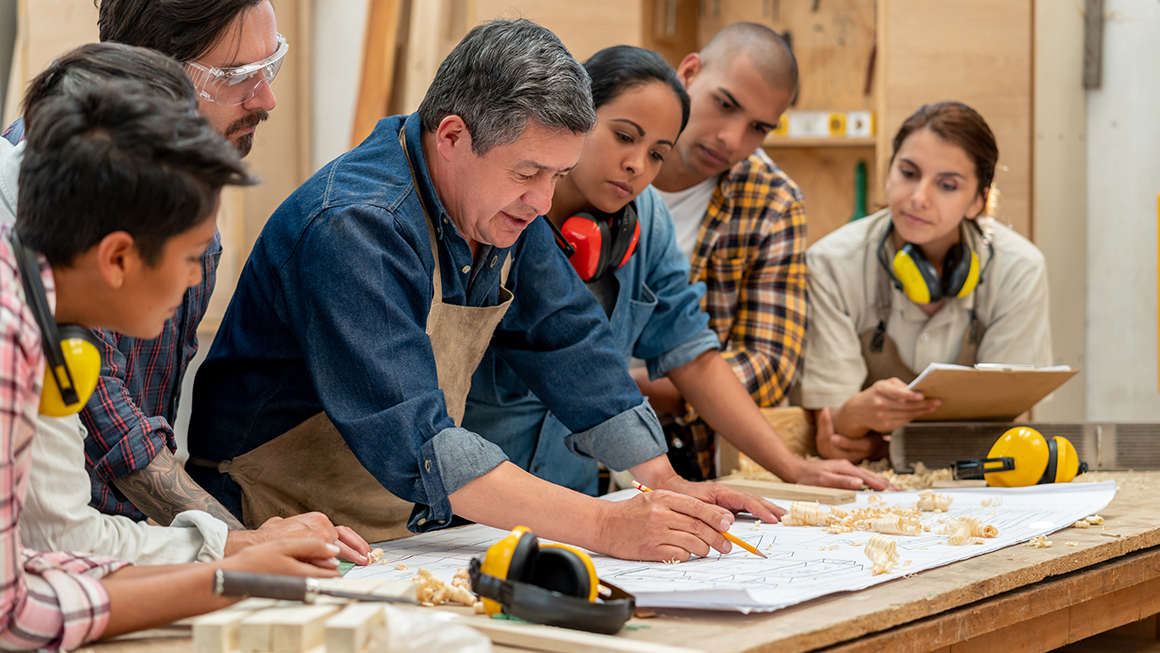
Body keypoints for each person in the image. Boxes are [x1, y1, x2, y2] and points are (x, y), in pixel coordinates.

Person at [189, 18, 779, 563]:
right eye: (527, 173)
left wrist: (664, 480)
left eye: (557, 176)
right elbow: (417, 435)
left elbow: (567, 336)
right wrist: (606, 527)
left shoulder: (494, 210)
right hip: (273, 522)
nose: (543, 203)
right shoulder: (356, 225)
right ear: (451, 136)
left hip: (393, 532)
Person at [2, 1, 370, 564]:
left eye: (269, 68)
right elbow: (59, 547)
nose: (266, 98)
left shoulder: (167, 203)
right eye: (238, 76)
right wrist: (234, 555)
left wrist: (233, 549)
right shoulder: (23, 300)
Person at [1, 77, 339, 651]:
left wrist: (229, 558)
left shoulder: (40, 316)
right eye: (188, 257)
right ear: (117, 257)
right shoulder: (13, 331)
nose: (194, 279)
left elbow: (43, 544)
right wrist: (227, 580)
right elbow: (14, 614)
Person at [462, 45, 886, 494]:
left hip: (572, 502)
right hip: (461, 509)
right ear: (576, 117)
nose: (637, 166)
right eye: (624, 136)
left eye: (658, 153)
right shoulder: (499, 210)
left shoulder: (647, 220)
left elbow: (693, 357)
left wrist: (793, 468)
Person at [797, 101, 1051, 463]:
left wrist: (882, 446)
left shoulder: (1019, 270)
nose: (918, 198)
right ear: (889, 173)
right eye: (908, 173)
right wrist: (852, 418)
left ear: (978, 201)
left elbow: (1003, 426)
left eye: (947, 185)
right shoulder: (830, 265)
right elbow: (834, 428)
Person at [638, 23, 808, 480]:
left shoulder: (773, 201)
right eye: (725, 104)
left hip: (677, 450)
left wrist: (613, 387)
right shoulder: (588, 156)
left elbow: (768, 365)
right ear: (689, 73)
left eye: (758, 128)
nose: (732, 139)